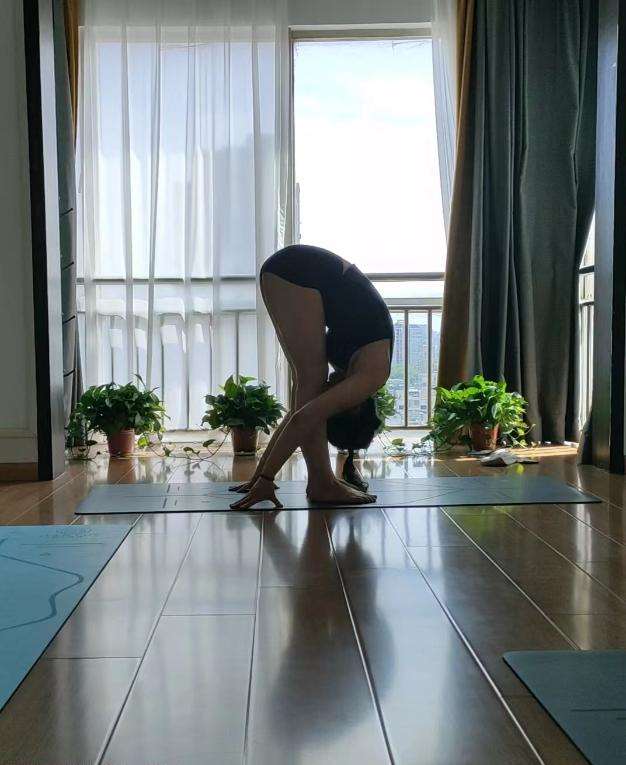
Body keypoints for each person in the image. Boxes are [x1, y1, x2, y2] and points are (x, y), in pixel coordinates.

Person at [229, 244, 393, 510]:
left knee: (310, 385)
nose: (331, 393)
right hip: (301, 271)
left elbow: (300, 412)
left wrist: (260, 475)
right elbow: (305, 418)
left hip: (293, 270)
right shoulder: (372, 374)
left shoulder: (356, 363)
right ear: (355, 404)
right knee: (312, 380)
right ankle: (322, 483)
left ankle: (319, 482)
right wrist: (267, 480)